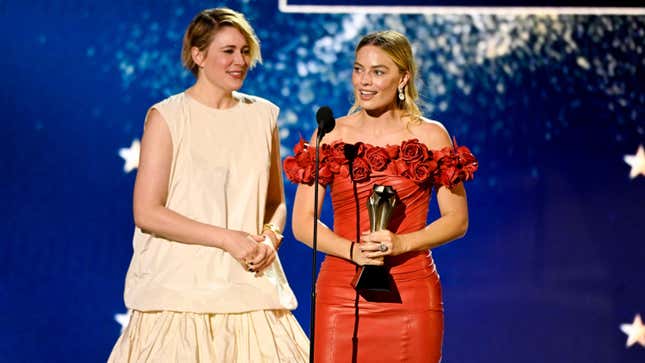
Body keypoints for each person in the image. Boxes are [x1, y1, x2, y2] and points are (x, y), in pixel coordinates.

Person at [108, 8, 308, 362]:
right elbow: (147, 212)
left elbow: (275, 201)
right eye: (228, 51)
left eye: (245, 51)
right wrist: (227, 238)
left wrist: (270, 238)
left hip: (251, 290)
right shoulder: (167, 117)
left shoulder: (264, 116)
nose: (240, 61)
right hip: (178, 293)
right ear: (198, 55)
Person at [284, 30, 478, 362]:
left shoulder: (431, 135)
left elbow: (457, 221)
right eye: (358, 69)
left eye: (378, 71)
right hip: (341, 294)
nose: (364, 81)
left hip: (411, 294)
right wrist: (353, 251)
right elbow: (303, 224)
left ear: (404, 77)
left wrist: (400, 244)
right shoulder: (331, 133)